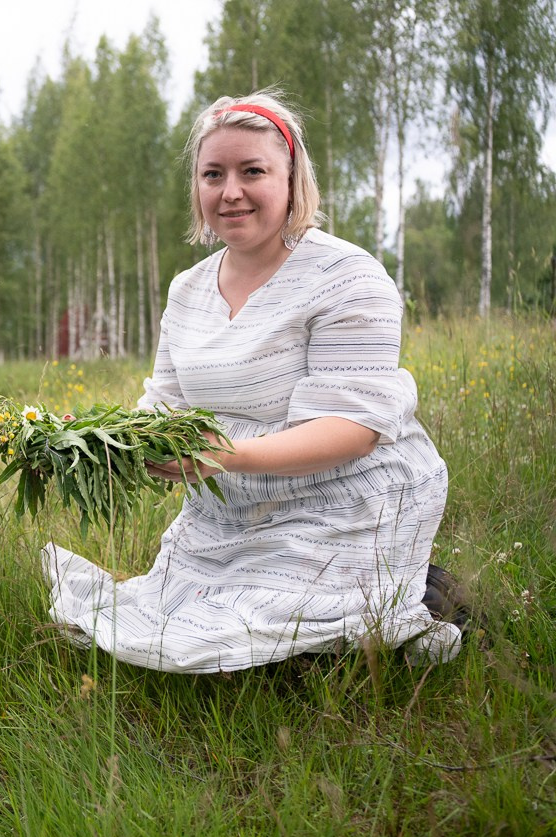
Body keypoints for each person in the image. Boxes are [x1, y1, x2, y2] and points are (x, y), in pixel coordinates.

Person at [42, 89, 461, 673]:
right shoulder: (188, 289)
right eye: (212, 174)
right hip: (230, 515)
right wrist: (97, 441)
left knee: (274, 651)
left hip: (343, 501)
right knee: (158, 634)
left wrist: (224, 455)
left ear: (292, 179)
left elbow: (355, 428)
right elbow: (164, 408)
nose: (230, 191)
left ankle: (421, 594)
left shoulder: (347, 276)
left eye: (252, 171)